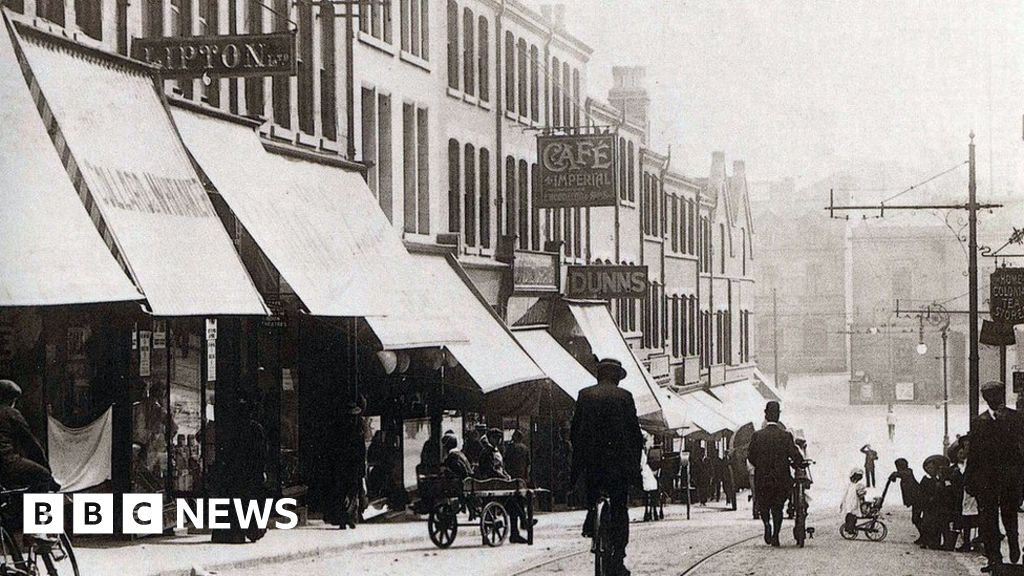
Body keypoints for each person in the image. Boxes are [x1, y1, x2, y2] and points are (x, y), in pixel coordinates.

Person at [571, 358, 644, 576]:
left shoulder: (585, 395)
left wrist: (577, 468)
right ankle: (618, 558)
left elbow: (575, 433)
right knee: (620, 508)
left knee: (593, 497)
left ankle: (592, 516)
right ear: (616, 377)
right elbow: (635, 436)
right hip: (618, 466)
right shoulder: (625, 397)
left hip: (593, 464)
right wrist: (635, 470)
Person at [965, 380, 1024, 571]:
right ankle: (994, 558)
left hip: (1009, 477)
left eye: (995, 395)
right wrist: (970, 479)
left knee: (1009, 514)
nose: (992, 399)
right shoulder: (979, 422)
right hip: (986, 480)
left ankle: (1013, 542)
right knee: (988, 520)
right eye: (988, 396)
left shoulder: (1015, 418)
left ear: (1001, 395)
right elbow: (973, 454)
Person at [747, 401, 803, 547]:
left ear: (766, 415)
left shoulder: (757, 436)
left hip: (762, 478)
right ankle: (776, 535)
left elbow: (751, 456)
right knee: (778, 507)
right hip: (781, 479)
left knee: (764, 505)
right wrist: (798, 463)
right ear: (778, 416)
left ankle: (766, 524)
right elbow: (795, 454)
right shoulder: (785, 436)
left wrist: (760, 466)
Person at [889, 458, 925, 545]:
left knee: (916, 519)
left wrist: (894, 474)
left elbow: (903, 474)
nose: (897, 468)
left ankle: (925, 536)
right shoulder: (905, 473)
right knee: (915, 519)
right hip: (916, 501)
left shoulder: (908, 472)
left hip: (919, 500)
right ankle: (924, 536)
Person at [840, 468, 866, 534]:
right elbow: (860, 495)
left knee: (850, 515)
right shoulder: (854, 485)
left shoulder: (852, 485)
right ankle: (850, 528)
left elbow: (846, 494)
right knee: (851, 515)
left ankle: (849, 527)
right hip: (852, 502)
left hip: (851, 502)